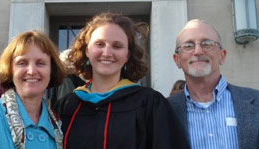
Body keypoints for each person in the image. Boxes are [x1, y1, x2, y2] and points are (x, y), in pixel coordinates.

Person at [54, 13, 189, 149]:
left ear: (128, 55)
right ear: (87, 51)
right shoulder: (66, 106)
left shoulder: (149, 104)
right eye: (99, 44)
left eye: (117, 46)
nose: (107, 53)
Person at [0, 30, 67, 148]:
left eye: (40, 63)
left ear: (51, 70)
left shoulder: (58, 124)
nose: (31, 71)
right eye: (22, 63)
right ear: (10, 69)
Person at [168, 19, 259, 149]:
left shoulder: (256, 102)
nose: (198, 51)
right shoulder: (164, 110)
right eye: (188, 46)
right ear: (177, 60)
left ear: (222, 56)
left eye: (207, 44)